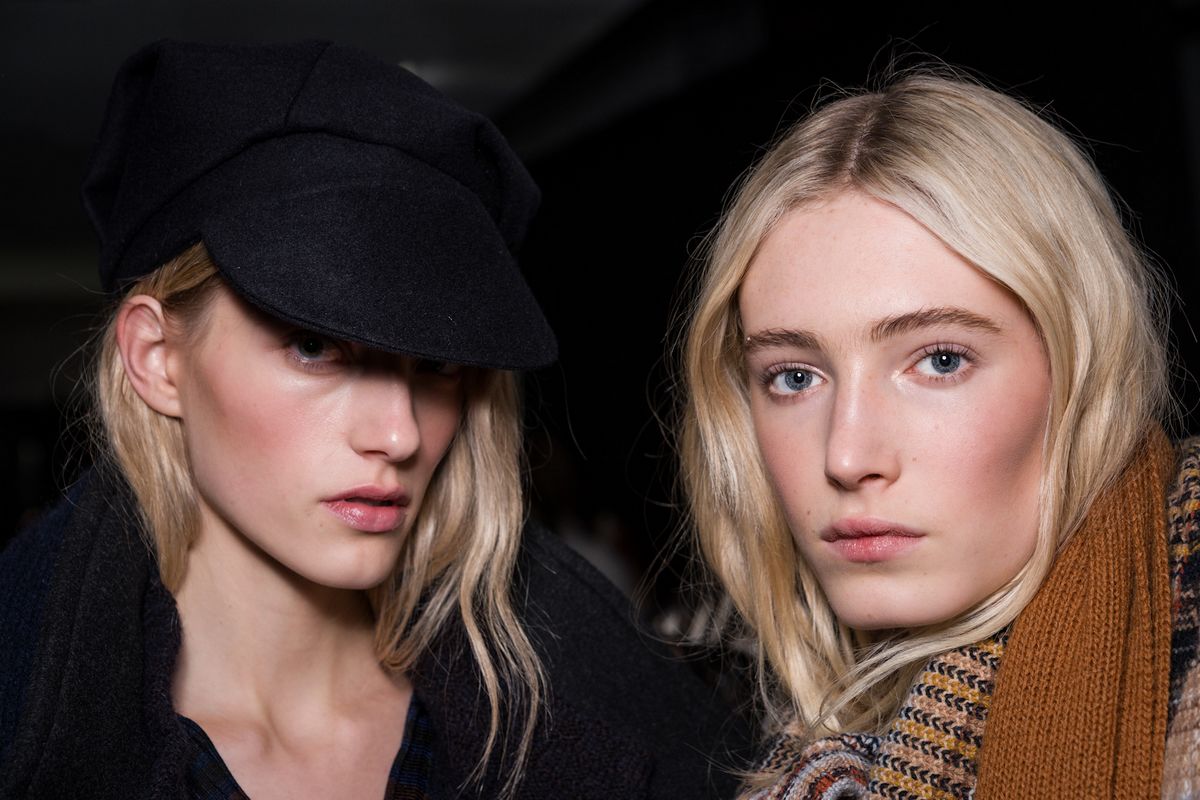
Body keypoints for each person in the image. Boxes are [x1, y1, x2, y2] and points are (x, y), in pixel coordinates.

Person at [0, 40, 746, 799]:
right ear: (157, 359)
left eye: (437, 365)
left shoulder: (595, 720)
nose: (400, 435)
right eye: (315, 346)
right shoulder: (31, 726)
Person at [676, 70, 1200, 798]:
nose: (847, 456)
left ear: (1082, 367)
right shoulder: (786, 749)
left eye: (940, 361)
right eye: (794, 376)